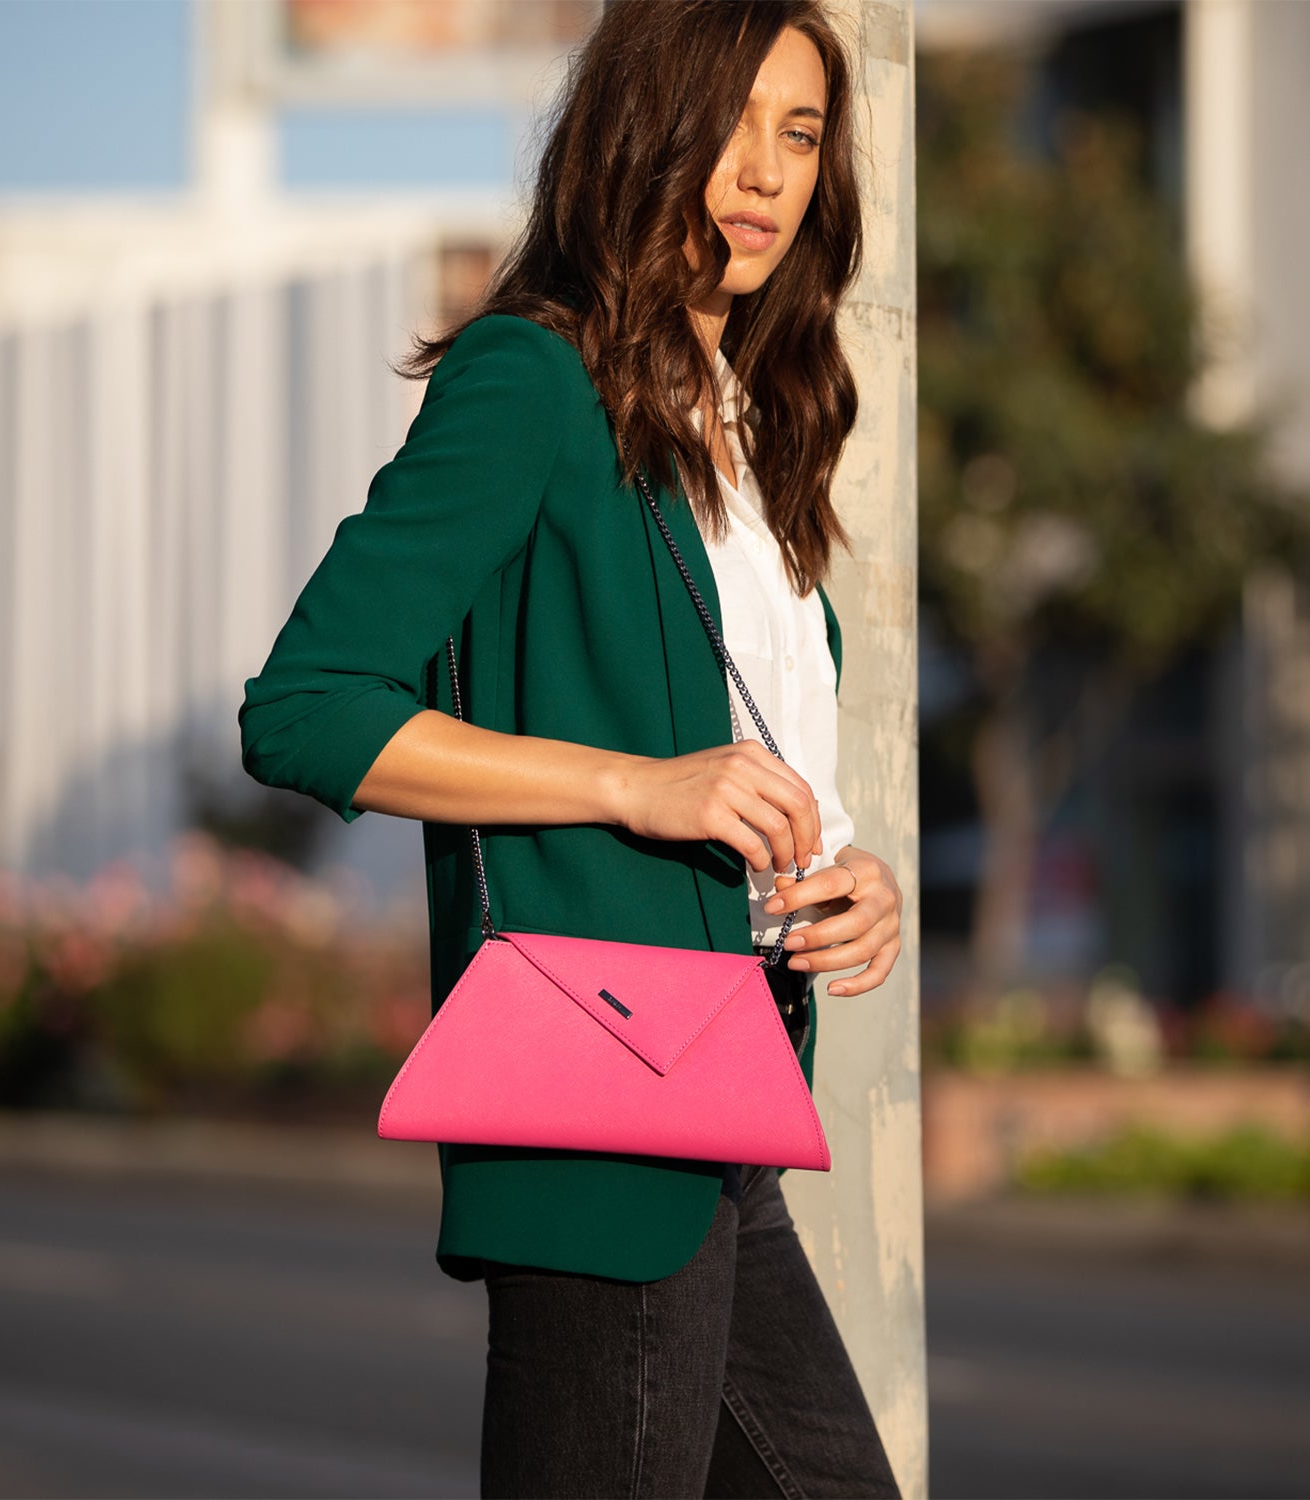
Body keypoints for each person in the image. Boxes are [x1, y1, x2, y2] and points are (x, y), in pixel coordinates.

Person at [238, 1, 904, 1494]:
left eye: (798, 134)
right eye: (729, 122)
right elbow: (305, 704)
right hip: (598, 1103)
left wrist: (853, 873)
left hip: (728, 1098)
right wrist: (629, 786)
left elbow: (745, 743)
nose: (765, 170)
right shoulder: (537, 382)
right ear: (636, 127)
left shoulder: (750, 422)